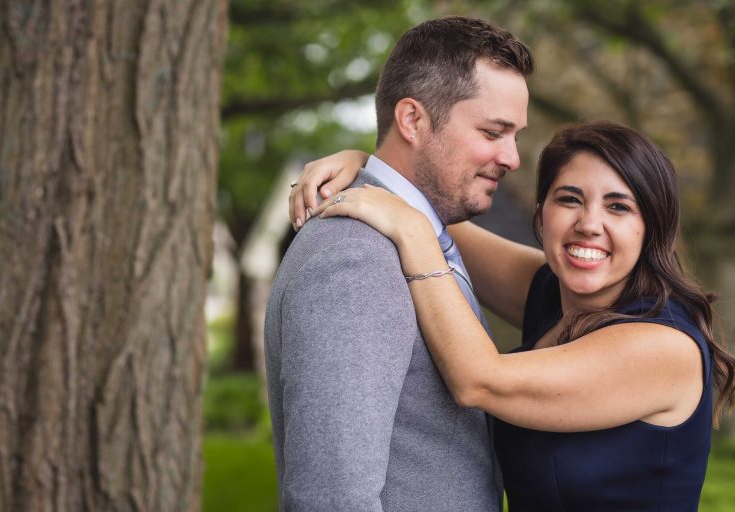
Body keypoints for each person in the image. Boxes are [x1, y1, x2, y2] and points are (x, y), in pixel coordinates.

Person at [291, 121, 735, 511]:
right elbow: (432, 213)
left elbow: (478, 380)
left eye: (618, 207)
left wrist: (409, 233)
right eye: (569, 199)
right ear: (541, 215)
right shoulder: (552, 292)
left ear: (650, 228)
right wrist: (367, 166)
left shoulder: (662, 347)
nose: (588, 223)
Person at [265, 16, 533, 511]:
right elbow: (330, 499)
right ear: (412, 120)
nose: (512, 158)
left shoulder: (416, 235)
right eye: (494, 131)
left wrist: (364, 165)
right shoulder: (356, 256)